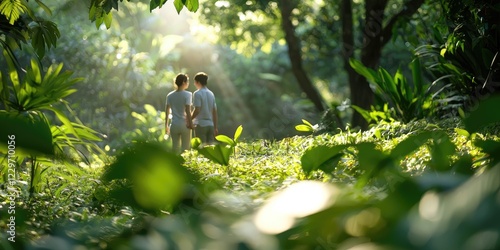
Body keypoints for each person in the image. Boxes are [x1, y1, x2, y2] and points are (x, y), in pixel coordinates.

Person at [165, 73, 193, 154]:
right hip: (185, 125)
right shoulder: (188, 94)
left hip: (174, 125)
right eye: (187, 81)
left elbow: (167, 111)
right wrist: (191, 123)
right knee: (185, 149)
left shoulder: (170, 95)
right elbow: (188, 110)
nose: (188, 83)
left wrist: (166, 126)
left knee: (175, 148)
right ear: (184, 82)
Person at [191, 72, 218, 144]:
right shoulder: (211, 94)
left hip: (201, 124)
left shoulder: (197, 93)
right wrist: (215, 127)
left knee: (202, 148)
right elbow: (214, 111)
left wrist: (189, 119)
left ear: (198, 82)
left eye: (195, 82)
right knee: (210, 149)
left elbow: (197, 109)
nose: (194, 84)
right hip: (210, 125)